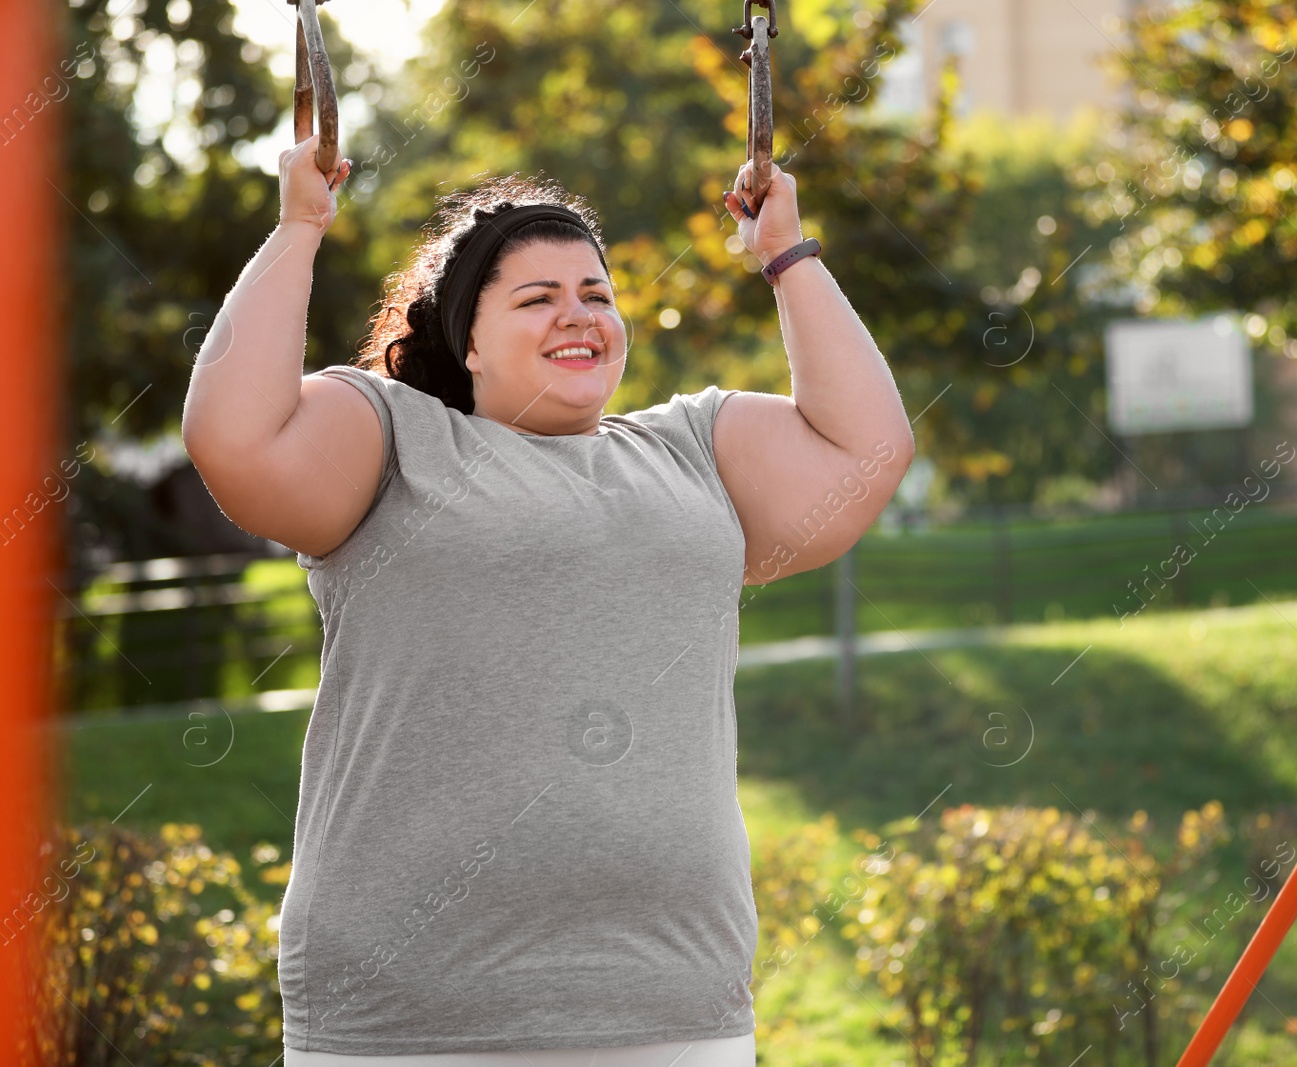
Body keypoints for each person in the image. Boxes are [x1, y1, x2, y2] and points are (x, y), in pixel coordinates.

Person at [181, 135, 916, 1066]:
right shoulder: (393, 435)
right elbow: (233, 437)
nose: (579, 315)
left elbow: (868, 453)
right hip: (407, 1016)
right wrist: (299, 228)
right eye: (538, 298)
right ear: (469, 340)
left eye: (597, 294)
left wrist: (786, 254)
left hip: (670, 1005)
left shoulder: (694, 447)